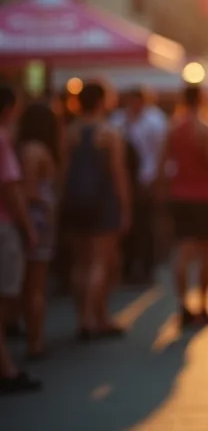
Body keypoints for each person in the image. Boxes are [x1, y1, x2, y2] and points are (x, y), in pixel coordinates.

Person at [61, 81, 131, 340]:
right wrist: (125, 207)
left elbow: (63, 172)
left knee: (80, 263)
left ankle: (89, 316)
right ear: (103, 100)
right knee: (101, 262)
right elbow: (118, 174)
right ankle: (91, 319)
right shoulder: (109, 133)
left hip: (75, 203)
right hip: (103, 203)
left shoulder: (70, 131)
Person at [159, 84, 208, 326]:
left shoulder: (173, 127)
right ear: (204, 98)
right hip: (205, 196)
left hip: (180, 195)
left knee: (183, 252)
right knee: (207, 253)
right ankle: (203, 305)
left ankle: (182, 305)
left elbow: (163, 164)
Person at [0, 85, 37, 393]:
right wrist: (29, 228)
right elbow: (11, 189)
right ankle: (6, 369)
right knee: (6, 295)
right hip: (3, 226)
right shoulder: (2, 140)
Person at [16, 101, 59, 360]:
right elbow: (30, 190)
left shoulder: (21, 147)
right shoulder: (36, 151)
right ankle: (36, 341)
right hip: (37, 221)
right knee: (35, 285)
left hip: (29, 219)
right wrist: (47, 205)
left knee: (28, 284)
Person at [113, 88, 168, 283]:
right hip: (126, 179)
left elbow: (161, 153)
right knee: (128, 227)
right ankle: (128, 268)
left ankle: (146, 268)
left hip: (146, 180)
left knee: (146, 226)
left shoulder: (155, 121)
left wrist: (156, 180)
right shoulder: (119, 120)